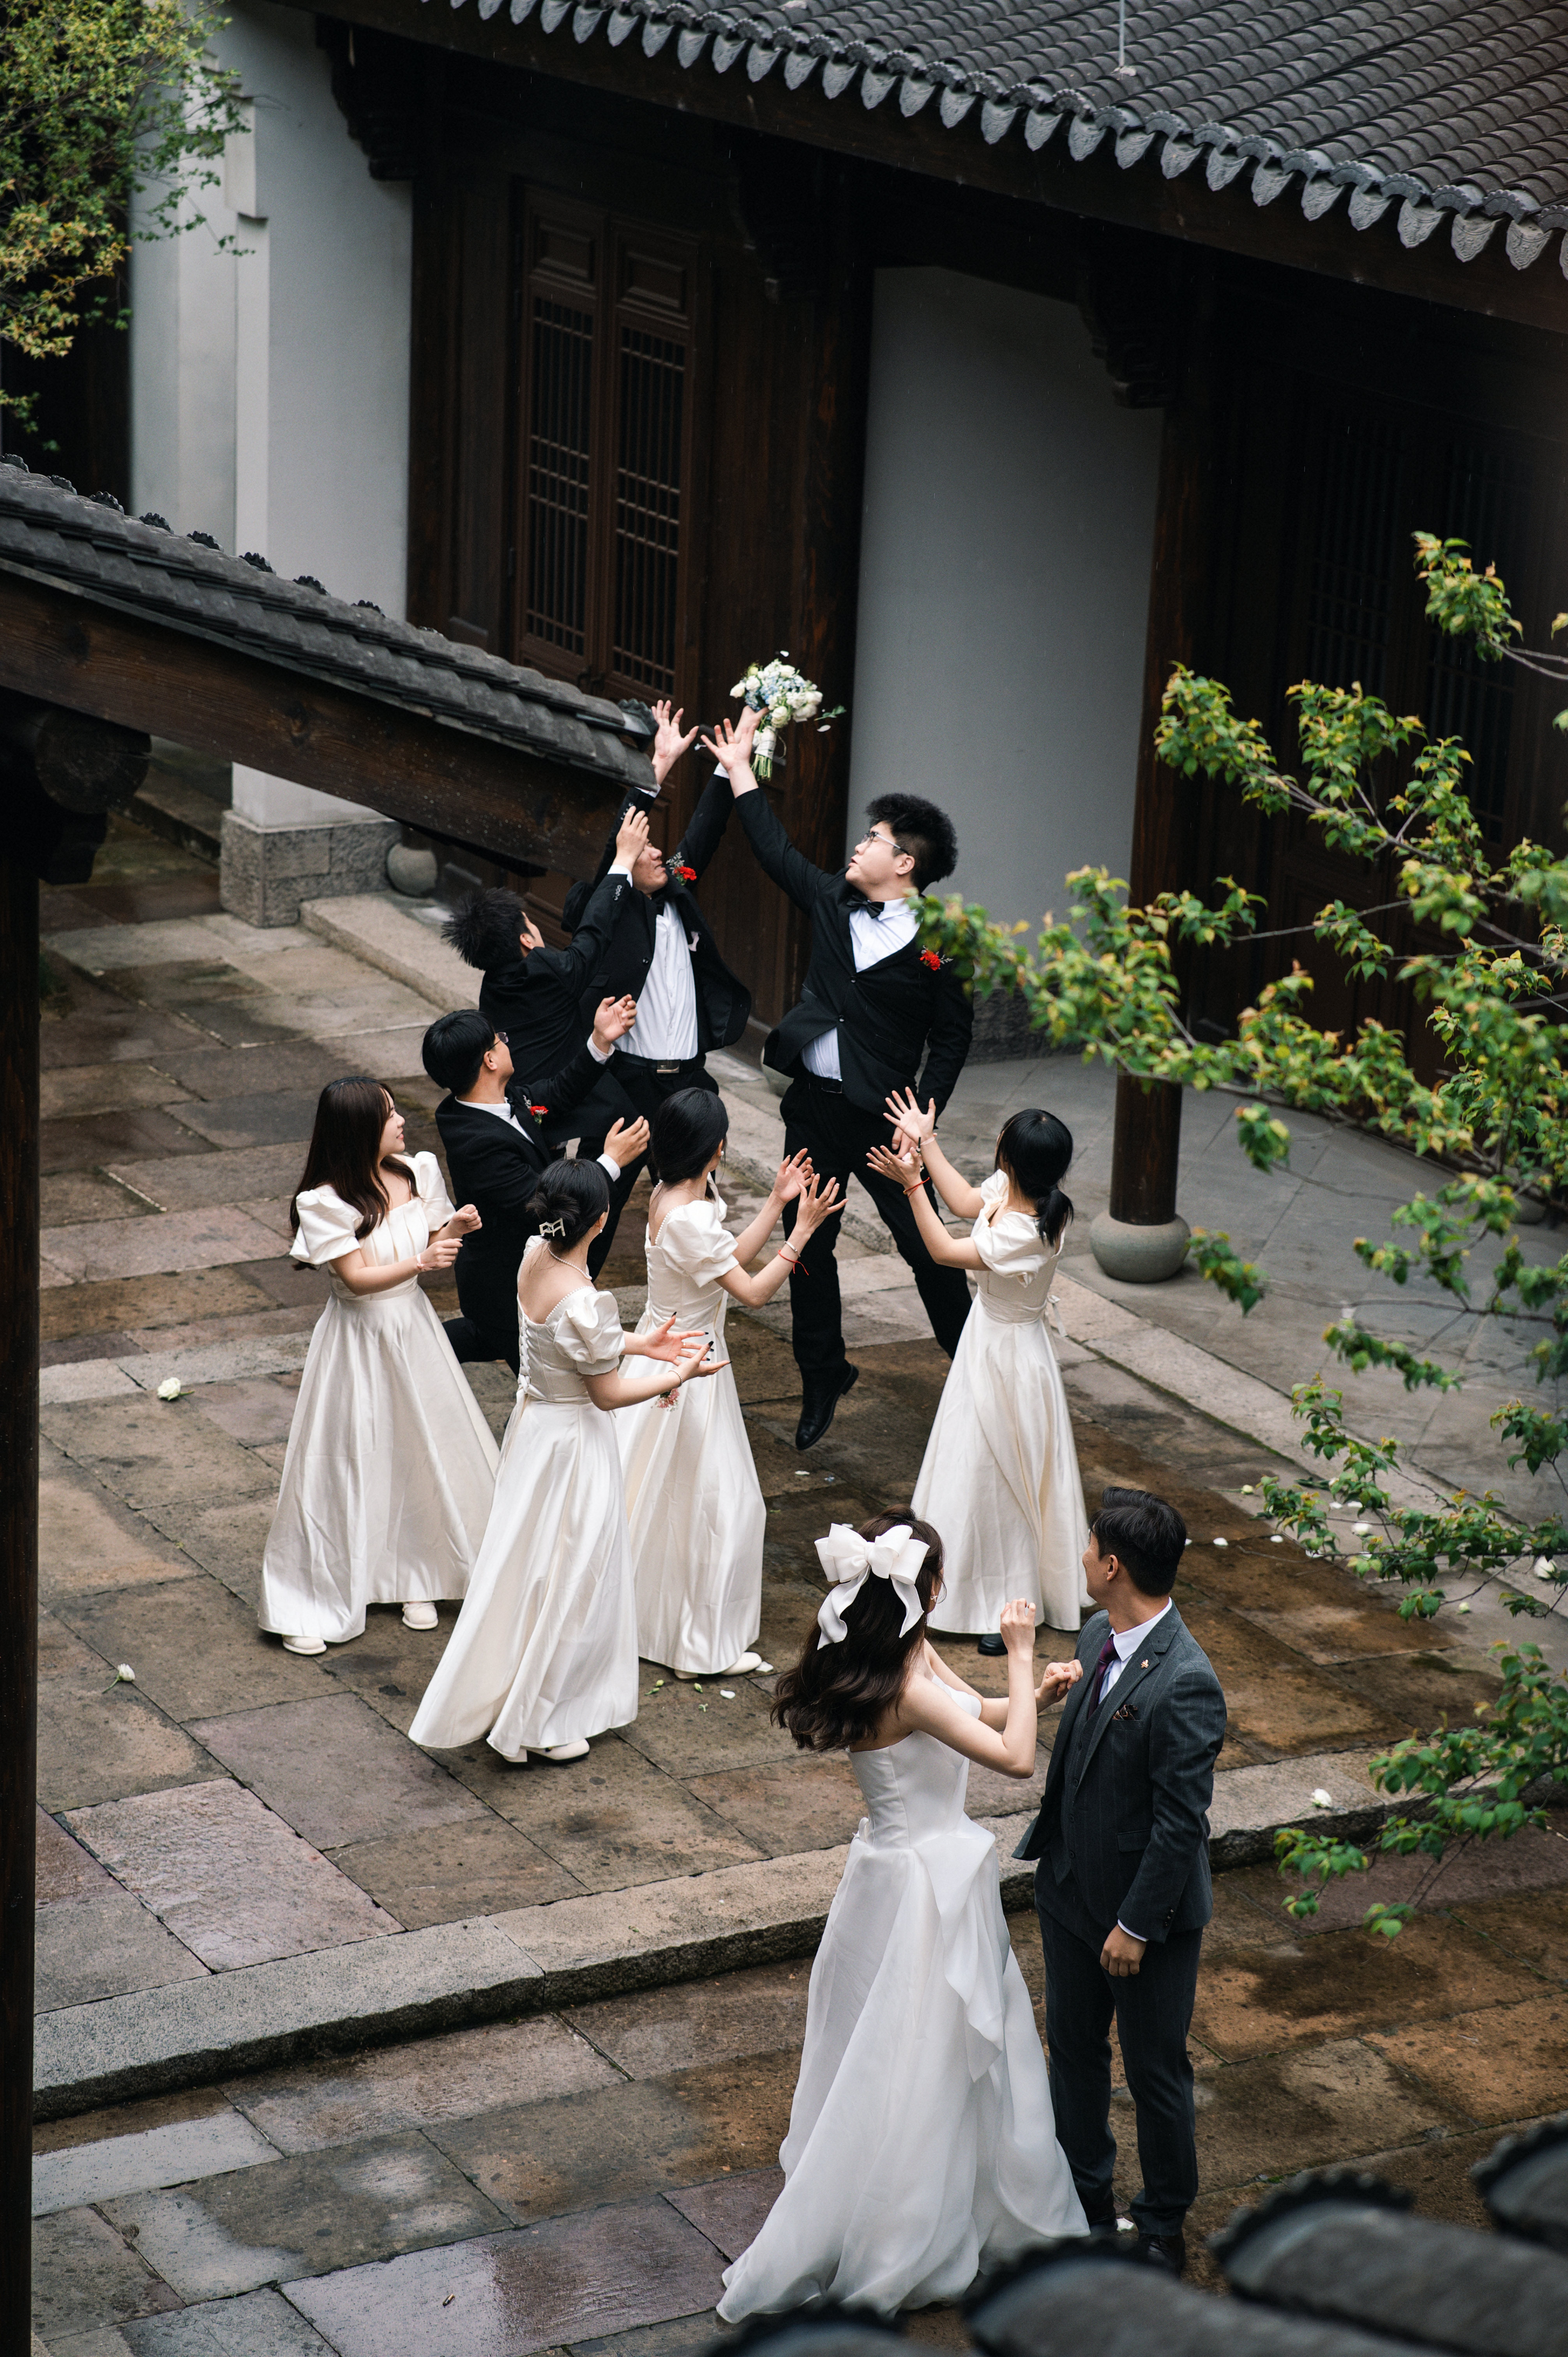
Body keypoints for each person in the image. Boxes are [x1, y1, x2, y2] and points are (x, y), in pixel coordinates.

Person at [718, 1515, 1088, 2319]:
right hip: (924, 1890)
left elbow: (976, 1714)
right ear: (926, 1586)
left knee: (923, 2056)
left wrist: (1031, 1695)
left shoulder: (903, 1656)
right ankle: (903, 2233)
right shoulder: (906, 1686)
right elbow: (1015, 1760)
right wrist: (1021, 1652)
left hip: (897, 1874)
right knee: (919, 2061)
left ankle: (956, 2206)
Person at [703, 706, 972, 1451]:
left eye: (872, 838)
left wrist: (923, 1116)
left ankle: (975, 1368)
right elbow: (774, 850)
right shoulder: (831, 900)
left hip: (885, 1122)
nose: (858, 845)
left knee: (926, 1248)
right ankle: (822, 1373)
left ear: (904, 863)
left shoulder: (943, 945)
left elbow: (952, 1038)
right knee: (807, 1244)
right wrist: (740, 770)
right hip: (813, 1110)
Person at [408, 1158, 722, 1765]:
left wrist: (642, 1342)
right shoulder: (587, 1299)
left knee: (529, 1564)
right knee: (577, 1574)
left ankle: (520, 1694)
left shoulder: (534, 1257)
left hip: (535, 1432)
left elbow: (568, 1340)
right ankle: (544, 1719)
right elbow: (606, 1392)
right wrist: (678, 1374)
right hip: (576, 1445)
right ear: (601, 1221)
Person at [1014, 1487, 1227, 2278]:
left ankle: (1163, 2224)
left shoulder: (1186, 1680)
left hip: (1145, 1920)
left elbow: (1179, 1824)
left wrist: (1135, 1927)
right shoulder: (1097, 1631)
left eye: (1087, 1545)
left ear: (1111, 1566)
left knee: (1153, 2071)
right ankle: (1085, 2203)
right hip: (1068, 1893)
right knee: (1072, 2052)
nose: (1079, 1555)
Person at [258, 1078, 501, 1657]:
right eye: (389, 1114)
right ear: (359, 1129)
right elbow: (358, 1277)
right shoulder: (324, 1201)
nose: (401, 1121)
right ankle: (309, 1594)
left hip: (413, 1330)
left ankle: (419, 1573)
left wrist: (456, 1229)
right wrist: (423, 1259)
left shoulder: (417, 1171)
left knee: (420, 1445)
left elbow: (434, 1238)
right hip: (358, 1339)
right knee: (347, 1456)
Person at [619, 1089, 844, 1682]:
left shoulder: (673, 1194)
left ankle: (666, 1629)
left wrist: (776, 1200)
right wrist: (802, 1230)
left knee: (671, 1501)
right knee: (722, 1507)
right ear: (716, 1149)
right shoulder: (688, 1214)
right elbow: (752, 1291)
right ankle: (699, 1648)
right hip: (690, 1366)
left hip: (675, 1351)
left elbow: (726, 1263)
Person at [867, 1098, 1091, 1654]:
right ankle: (956, 1584)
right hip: (986, 1341)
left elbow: (944, 1251)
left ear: (1010, 1158)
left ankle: (1011, 1600)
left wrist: (912, 1184)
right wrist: (927, 1140)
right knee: (970, 1463)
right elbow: (966, 1201)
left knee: (1004, 1474)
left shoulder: (1029, 1228)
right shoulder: (1021, 1193)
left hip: (1012, 1359)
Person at [560, 702, 752, 1263]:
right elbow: (611, 850)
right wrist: (656, 769)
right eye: (645, 849)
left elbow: (706, 833)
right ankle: (568, 1289)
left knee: (698, 1215)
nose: (659, 851)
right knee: (595, 1208)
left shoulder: (678, 890)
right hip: (628, 1086)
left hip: (688, 1083)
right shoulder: (614, 906)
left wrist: (728, 767)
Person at [443, 807, 660, 1278]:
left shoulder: (497, 982)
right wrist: (623, 860)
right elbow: (593, 935)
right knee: (579, 1215)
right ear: (526, 939)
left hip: (542, 1106)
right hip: (563, 1114)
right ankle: (571, 1277)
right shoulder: (542, 970)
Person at [424, 998, 646, 1369]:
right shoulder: (476, 1143)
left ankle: (412, 1350)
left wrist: (600, 1041)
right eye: (500, 1040)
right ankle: (407, 1352)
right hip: (508, 1291)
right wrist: (610, 1162)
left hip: (522, 1275)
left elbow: (556, 1093)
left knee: (483, 1341)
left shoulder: (504, 1098)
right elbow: (543, 1203)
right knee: (543, 1384)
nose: (506, 1042)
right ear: (490, 1061)